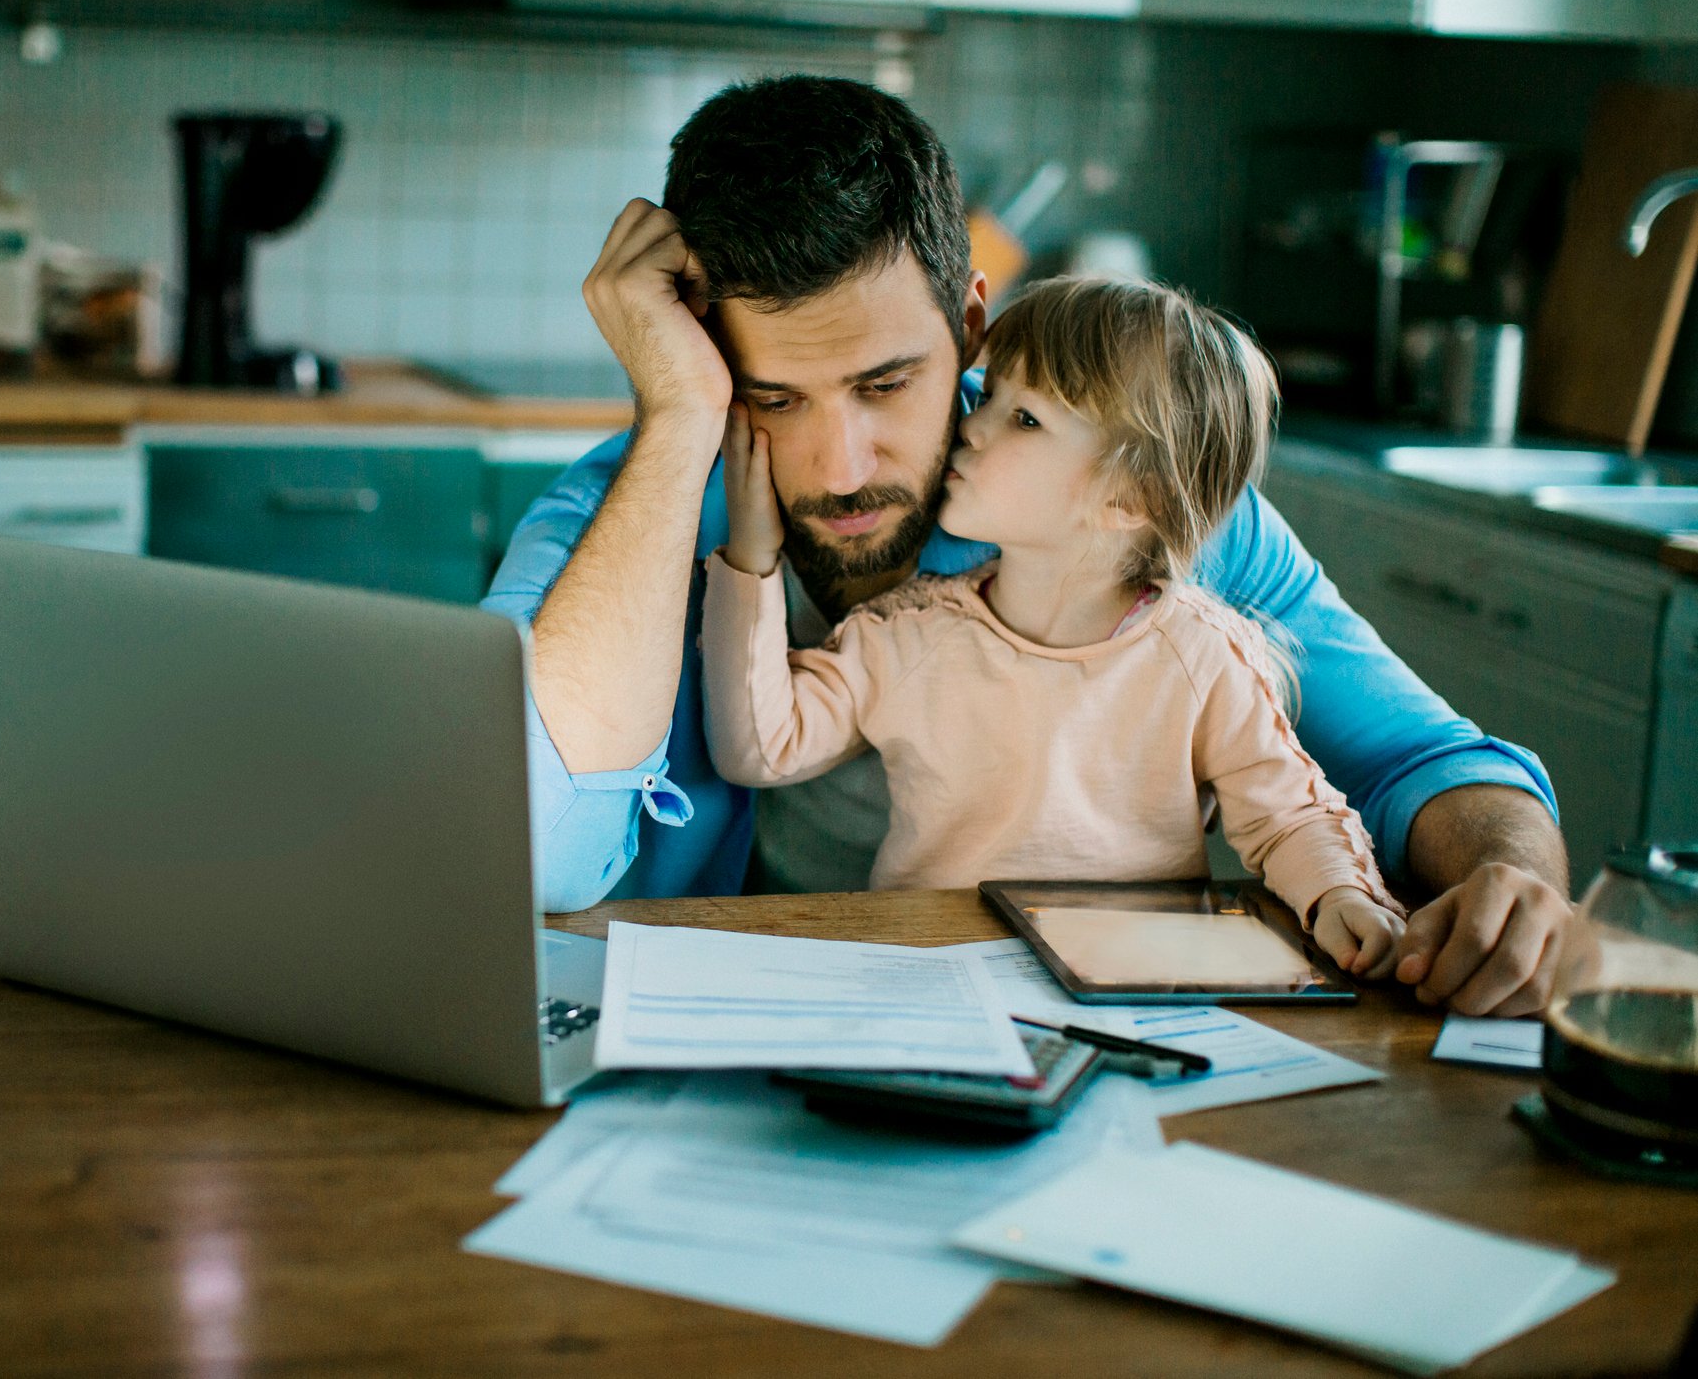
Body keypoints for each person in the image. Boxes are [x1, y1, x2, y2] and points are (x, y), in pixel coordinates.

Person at [483, 73, 1572, 1017]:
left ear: (968, 326)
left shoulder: (1129, 503)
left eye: (885, 384)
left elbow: (1421, 759)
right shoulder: (619, 518)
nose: (842, 463)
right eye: (771, 396)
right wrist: (678, 423)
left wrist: (1509, 878)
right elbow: (522, 851)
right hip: (726, 1047)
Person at [702, 275, 1408, 976]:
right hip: (938, 977)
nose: (972, 424)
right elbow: (762, 749)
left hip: (1136, 991)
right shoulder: (905, 635)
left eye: (1024, 417)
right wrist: (751, 559)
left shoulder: (1203, 656)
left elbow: (1286, 818)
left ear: (1130, 499)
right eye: (995, 394)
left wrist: (1341, 895)